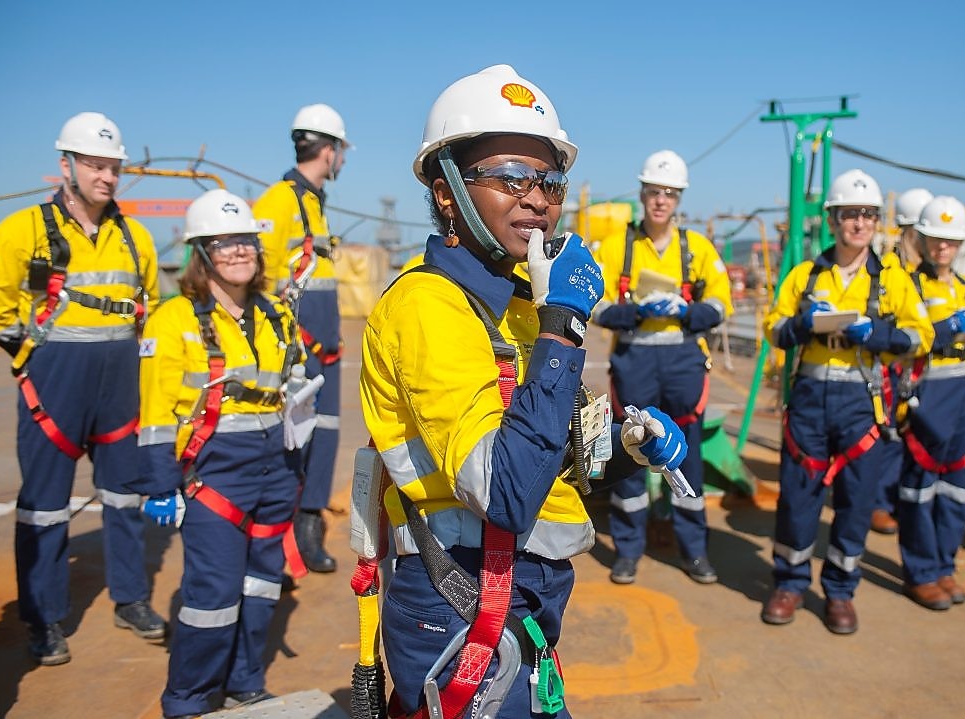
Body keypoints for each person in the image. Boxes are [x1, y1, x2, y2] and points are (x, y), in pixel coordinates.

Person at [360, 64, 685, 718]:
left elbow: (550, 457)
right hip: (455, 599)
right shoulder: (428, 306)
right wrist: (565, 326)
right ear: (446, 189)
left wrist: (625, 449)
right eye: (511, 176)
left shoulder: (516, 308)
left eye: (550, 180)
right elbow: (503, 491)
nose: (537, 197)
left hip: (519, 599)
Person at [0, 112, 164, 666]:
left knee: (125, 500)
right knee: (44, 509)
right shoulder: (23, 230)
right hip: (53, 386)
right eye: (95, 165)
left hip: (118, 390)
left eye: (113, 167)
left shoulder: (136, 238)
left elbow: (146, 310)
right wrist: (30, 355)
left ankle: (131, 599)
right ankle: (44, 617)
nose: (106, 176)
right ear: (67, 165)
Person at [140, 189, 305, 718]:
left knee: (261, 586)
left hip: (275, 467)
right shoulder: (173, 320)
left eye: (246, 242)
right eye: (224, 242)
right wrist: (161, 483)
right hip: (214, 473)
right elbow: (155, 412)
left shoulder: (276, 314)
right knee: (212, 593)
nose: (239, 252)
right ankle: (188, 699)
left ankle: (244, 681)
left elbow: (296, 384)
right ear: (201, 253)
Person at [761, 168, 933, 634]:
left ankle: (839, 591)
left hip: (864, 402)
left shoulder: (893, 279)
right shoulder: (805, 275)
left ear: (877, 222)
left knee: (856, 502)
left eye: (867, 215)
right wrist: (802, 323)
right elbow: (773, 328)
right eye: (849, 215)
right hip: (811, 398)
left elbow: (922, 336)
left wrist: (874, 333)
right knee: (798, 498)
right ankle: (791, 583)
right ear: (833, 220)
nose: (858, 223)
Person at [591, 149, 734, 585]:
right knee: (630, 449)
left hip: (683, 363)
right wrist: (634, 310)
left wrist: (686, 311)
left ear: (679, 199)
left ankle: (694, 552)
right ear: (642, 194)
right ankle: (628, 550)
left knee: (684, 453)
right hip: (634, 361)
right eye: (654, 192)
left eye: (669, 194)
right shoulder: (619, 248)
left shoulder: (697, 249)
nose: (660, 201)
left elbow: (721, 303)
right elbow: (596, 304)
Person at [252, 103, 349, 573]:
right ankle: (284, 536)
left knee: (325, 436)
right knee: (294, 440)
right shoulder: (278, 202)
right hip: (296, 349)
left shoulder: (313, 203)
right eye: (342, 151)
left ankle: (307, 527)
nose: (344, 160)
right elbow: (258, 280)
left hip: (325, 349)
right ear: (328, 151)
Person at [894, 197, 965, 610]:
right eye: (936, 239)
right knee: (920, 487)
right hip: (928, 394)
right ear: (921, 238)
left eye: (951, 241)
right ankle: (920, 572)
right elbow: (904, 339)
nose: (943, 248)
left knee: (957, 488)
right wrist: (944, 329)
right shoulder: (908, 286)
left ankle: (944, 565)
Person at [869, 187, 934, 537]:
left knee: (917, 434)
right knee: (890, 432)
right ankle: (880, 503)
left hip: (930, 365)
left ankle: (904, 498)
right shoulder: (891, 270)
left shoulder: (935, 271)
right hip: (896, 365)